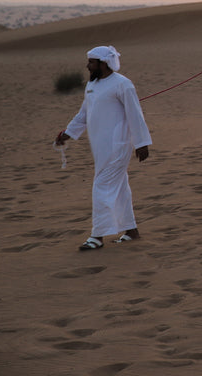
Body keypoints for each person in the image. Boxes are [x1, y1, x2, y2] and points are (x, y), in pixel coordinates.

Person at [54, 46, 151, 251]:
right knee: (120, 187)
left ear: (103, 63)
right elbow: (84, 114)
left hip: (118, 145)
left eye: (91, 62)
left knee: (101, 186)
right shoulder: (93, 85)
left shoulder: (123, 84)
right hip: (100, 147)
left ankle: (97, 236)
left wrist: (142, 144)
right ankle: (131, 230)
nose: (87, 66)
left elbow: (135, 114)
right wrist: (67, 133)